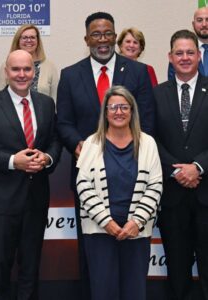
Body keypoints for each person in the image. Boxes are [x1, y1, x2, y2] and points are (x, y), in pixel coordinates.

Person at [56, 11, 155, 300]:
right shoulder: (70, 74)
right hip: (91, 179)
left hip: (132, 176)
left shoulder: (137, 71)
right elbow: (64, 123)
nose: (103, 40)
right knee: (94, 254)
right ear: (87, 39)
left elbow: (146, 119)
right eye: (96, 34)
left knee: (133, 256)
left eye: (108, 33)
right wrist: (80, 147)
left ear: (115, 35)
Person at [76, 85, 162, 300]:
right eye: (113, 107)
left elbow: (155, 185)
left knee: (135, 291)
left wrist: (136, 222)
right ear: (105, 112)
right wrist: (107, 222)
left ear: (132, 111)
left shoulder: (147, 142)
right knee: (104, 291)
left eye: (124, 106)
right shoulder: (92, 143)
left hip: (136, 230)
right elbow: (83, 186)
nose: (119, 112)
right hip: (99, 230)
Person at [0, 49, 61, 300]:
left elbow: (54, 140)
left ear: (34, 72)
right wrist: (13, 161)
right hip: (1, 203)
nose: (22, 75)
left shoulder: (46, 103)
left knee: (30, 270)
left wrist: (47, 158)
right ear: (6, 72)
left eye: (27, 69)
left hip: (36, 201)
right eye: (16, 69)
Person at [154, 29, 208, 300]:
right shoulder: (155, 94)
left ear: (199, 56)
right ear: (170, 57)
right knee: (177, 269)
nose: (185, 57)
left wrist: (197, 167)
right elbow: (149, 139)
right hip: (172, 196)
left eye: (190, 52)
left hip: (206, 192)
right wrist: (178, 169)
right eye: (179, 53)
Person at [0, 24, 58, 102]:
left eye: (32, 37)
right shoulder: (6, 65)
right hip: (11, 113)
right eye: (25, 37)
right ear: (18, 41)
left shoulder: (50, 66)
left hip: (43, 113)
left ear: (38, 41)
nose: (29, 40)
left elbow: (55, 98)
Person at [168, 6, 208, 79]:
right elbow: (173, 84)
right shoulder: (179, 53)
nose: (204, 24)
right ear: (193, 24)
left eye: (207, 20)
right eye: (199, 20)